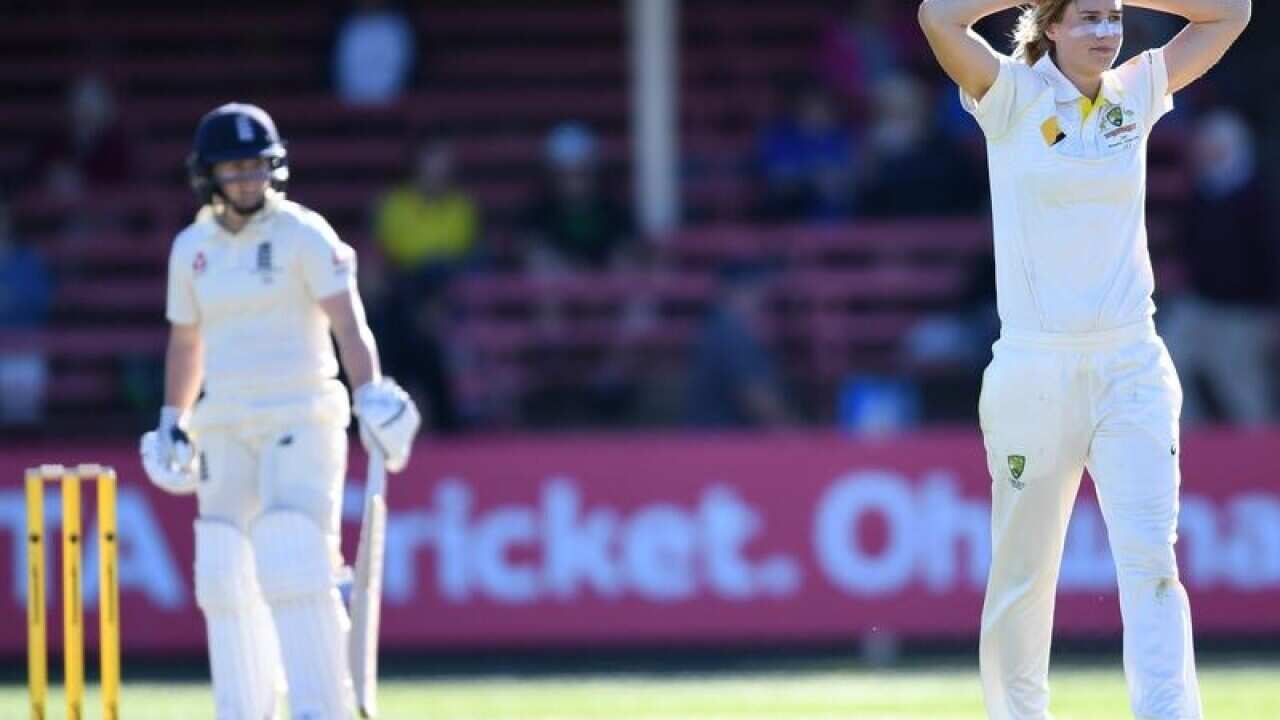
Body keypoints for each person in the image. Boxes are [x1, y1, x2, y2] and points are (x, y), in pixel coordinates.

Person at [918, 0, 1250, 718]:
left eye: (1113, 17)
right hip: (1035, 373)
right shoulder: (1007, 94)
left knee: (1152, 564)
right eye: (1088, 17)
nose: (1105, 32)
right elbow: (938, 18)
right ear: (1052, 25)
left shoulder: (1137, 89)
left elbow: (1234, 13)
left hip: (1131, 364)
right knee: (1023, 577)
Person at [139, 102, 421, 719]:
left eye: (255, 167)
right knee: (222, 565)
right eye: (232, 169)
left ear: (273, 168)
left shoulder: (304, 234)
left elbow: (349, 324)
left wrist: (370, 390)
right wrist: (173, 418)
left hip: (302, 413)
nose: (245, 180)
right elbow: (187, 342)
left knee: (292, 548)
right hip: (226, 421)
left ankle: (323, 709)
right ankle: (245, 711)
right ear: (208, 175)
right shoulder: (191, 249)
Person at [1162, 109, 1275, 425]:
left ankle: (1261, 462)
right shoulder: (1200, 192)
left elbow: (1269, 258)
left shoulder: (1257, 197)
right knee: (1166, 365)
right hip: (1198, 307)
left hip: (1241, 315)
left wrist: (1270, 313)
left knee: (1244, 393)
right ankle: (1190, 441)